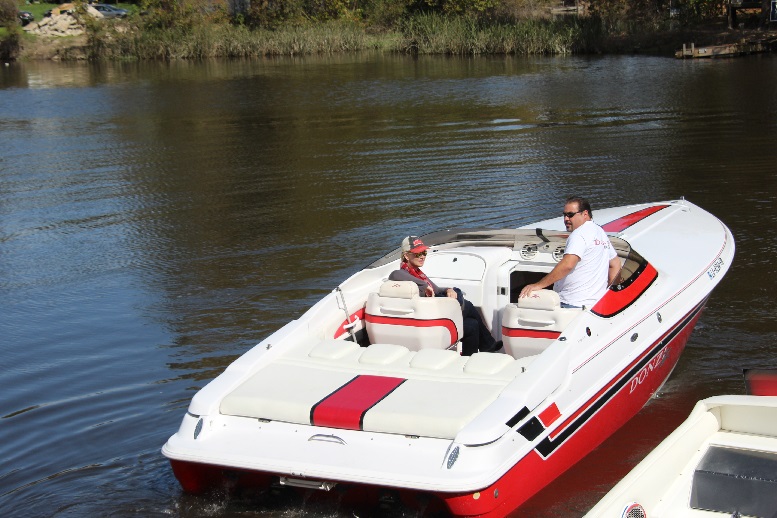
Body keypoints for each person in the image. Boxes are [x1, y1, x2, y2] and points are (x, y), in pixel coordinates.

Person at [389, 236, 502, 356]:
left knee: (472, 324)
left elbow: (437, 290)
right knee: (468, 305)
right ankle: (488, 344)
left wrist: (448, 290)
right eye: (418, 254)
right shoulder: (402, 274)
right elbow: (394, 275)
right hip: (429, 320)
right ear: (406, 256)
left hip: (433, 316)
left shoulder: (417, 273)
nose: (422, 256)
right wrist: (424, 285)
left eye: (424, 253)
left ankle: (468, 359)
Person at [519, 197, 621, 309]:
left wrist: (539, 285)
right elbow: (615, 264)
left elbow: (568, 265)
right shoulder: (599, 232)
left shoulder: (578, 234)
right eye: (564, 215)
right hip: (595, 305)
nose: (566, 219)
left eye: (570, 215)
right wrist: (610, 294)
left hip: (572, 303)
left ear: (585, 214)